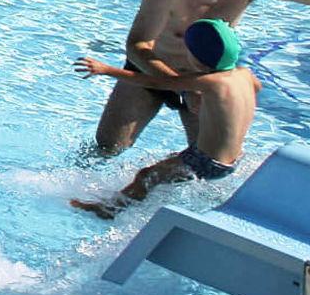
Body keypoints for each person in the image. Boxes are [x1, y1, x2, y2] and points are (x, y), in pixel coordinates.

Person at [91, 0, 310, 156]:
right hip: (153, 70)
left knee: (208, 162)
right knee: (105, 150)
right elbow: (137, 45)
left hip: (206, 82)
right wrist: (182, 85)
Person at [73, 20, 259, 218]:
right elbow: (256, 88)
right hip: (234, 159)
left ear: (198, 59)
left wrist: (106, 70)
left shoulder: (211, 83)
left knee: (147, 176)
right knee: (169, 165)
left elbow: (157, 82)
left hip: (204, 162)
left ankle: (109, 210)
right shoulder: (245, 75)